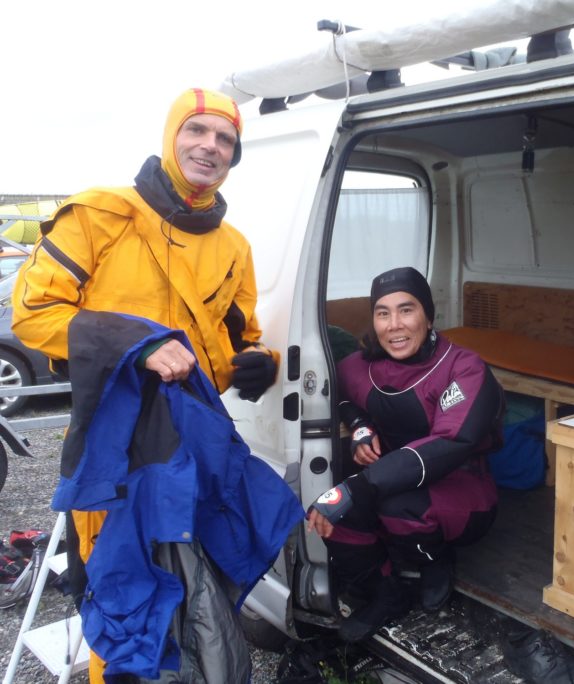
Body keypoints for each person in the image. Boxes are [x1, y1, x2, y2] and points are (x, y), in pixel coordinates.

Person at [12, 88, 292, 682]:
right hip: (115, 450)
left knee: (199, 592)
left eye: (225, 139)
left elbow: (232, 340)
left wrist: (255, 362)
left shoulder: (233, 247)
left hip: (194, 447)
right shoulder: (101, 215)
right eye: (197, 130)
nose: (210, 147)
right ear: (172, 136)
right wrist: (135, 345)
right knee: (124, 600)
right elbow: (34, 315)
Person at [308, 266, 504, 642]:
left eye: (407, 310)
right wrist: (360, 428)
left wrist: (359, 486)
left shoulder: (463, 367)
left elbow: (452, 441)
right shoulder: (361, 366)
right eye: (383, 313)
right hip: (389, 478)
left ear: (428, 315)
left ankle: (435, 559)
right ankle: (387, 592)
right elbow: (340, 394)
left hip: (462, 485)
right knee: (331, 512)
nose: (394, 325)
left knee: (394, 505)